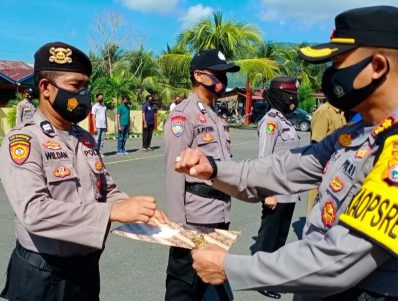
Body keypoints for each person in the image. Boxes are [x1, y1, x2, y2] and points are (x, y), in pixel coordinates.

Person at [175, 6, 398, 300]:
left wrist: (231, 267)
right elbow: (281, 169)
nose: (331, 76)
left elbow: (338, 262)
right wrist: (213, 169)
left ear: (378, 66)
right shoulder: (353, 135)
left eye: (339, 63)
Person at [0, 41, 167, 301]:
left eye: (86, 86)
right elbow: (33, 212)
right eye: (76, 86)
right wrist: (113, 211)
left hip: (85, 270)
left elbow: (107, 189)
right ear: (45, 88)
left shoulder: (84, 138)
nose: (84, 94)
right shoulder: (25, 141)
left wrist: (135, 208)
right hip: (44, 273)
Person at [164, 48, 239, 301]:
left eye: (225, 75)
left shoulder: (216, 116)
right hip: (193, 218)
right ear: (198, 75)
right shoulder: (183, 114)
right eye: (218, 75)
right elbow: (174, 170)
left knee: (213, 279)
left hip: (219, 213)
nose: (223, 81)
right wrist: (177, 224)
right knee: (184, 286)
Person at [253, 77, 301, 299]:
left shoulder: (286, 120)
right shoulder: (271, 121)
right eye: (289, 94)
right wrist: (268, 194)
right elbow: (264, 160)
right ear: (278, 95)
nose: (293, 99)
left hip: (289, 192)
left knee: (280, 238)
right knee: (268, 238)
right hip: (275, 192)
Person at [307, 101, 348, 213]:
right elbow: (317, 145)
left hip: (336, 168)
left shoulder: (342, 112)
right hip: (322, 168)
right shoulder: (324, 111)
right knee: (316, 210)